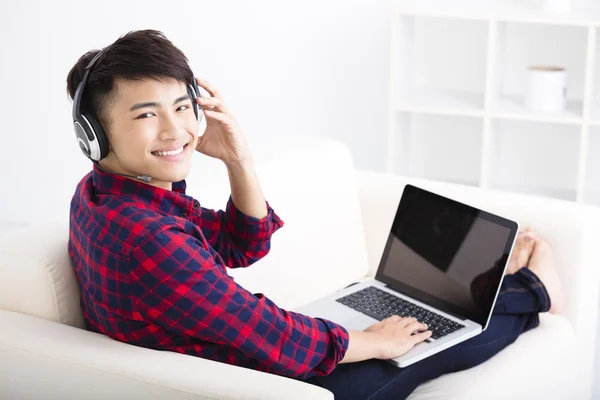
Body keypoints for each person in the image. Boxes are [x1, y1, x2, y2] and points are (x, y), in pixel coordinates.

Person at [66, 29, 565, 399]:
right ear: (96, 133)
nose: (176, 131)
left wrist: (239, 158)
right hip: (261, 382)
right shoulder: (147, 236)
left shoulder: (104, 196)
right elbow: (263, 332)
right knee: (429, 343)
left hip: (242, 358)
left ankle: (497, 288)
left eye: (182, 107)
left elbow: (241, 244)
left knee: (410, 320)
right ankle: (532, 294)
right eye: (147, 114)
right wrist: (368, 342)